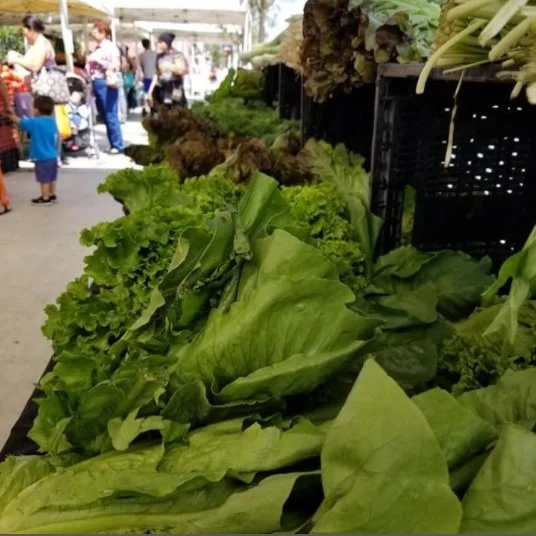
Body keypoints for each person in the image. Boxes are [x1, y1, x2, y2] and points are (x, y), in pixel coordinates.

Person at [9, 96, 58, 206]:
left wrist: (10, 115)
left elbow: (21, 122)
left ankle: (45, 198)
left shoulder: (35, 122)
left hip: (42, 156)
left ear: (36, 110)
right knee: (51, 178)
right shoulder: (52, 121)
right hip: (52, 156)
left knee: (43, 179)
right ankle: (52, 195)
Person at [86, 19, 124, 154]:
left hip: (106, 82)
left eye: (95, 32)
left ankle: (117, 144)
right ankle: (113, 143)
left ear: (102, 32)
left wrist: (98, 60)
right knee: (105, 114)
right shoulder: (99, 47)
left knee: (110, 113)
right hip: (97, 82)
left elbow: (116, 65)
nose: (93, 35)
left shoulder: (110, 47)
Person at [147, 33, 189, 112]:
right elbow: (156, 75)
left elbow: (184, 71)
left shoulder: (177, 55)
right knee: (162, 113)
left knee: (176, 112)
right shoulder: (159, 57)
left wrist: (170, 67)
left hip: (175, 89)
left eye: (161, 42)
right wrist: (150, 92)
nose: (159, 44)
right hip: (162, 89)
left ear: (167, 43)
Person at [138, 38, 156, 116]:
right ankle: (152, 108)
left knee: (147, 93)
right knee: (153, 93)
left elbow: (142, 66)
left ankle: (147, 107)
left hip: (147, 76)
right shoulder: (155, 54)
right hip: (154, 76)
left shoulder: (141, 55)